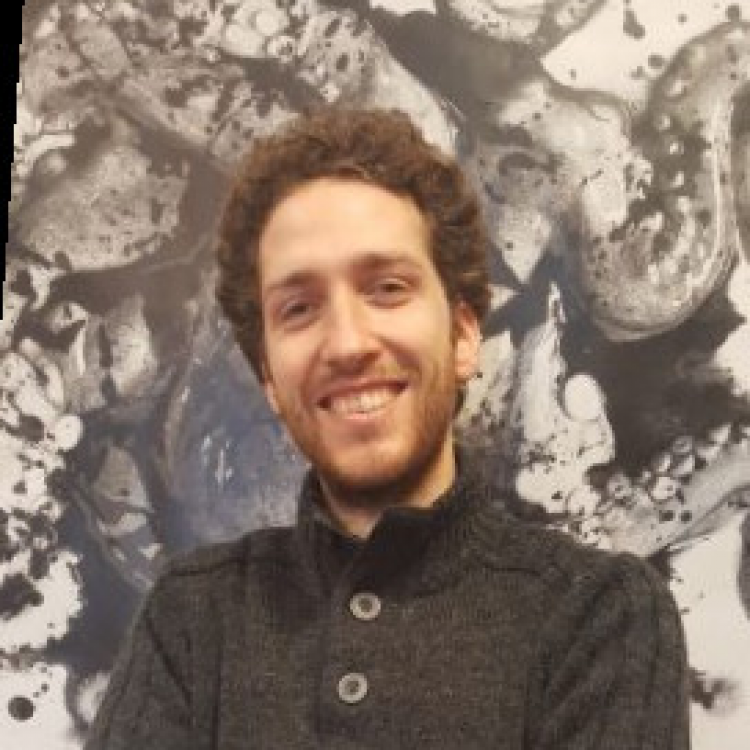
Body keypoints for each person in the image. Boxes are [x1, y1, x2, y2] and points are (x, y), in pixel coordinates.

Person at [85, 108, 690, 749]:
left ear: (463, 337)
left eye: (388, 288)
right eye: (299, 308)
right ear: (269, 378)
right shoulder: (187, 617)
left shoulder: (602, 614)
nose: (347, 343)